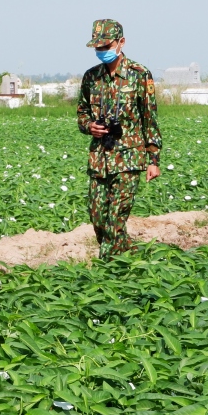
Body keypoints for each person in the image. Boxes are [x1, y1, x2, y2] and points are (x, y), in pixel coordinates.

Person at [77, 19, 162, 259]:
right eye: (98, 48)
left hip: (128, 157)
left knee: (115, 218)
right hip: (99, 157)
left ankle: (109, 270)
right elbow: (82, 112)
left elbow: (149, 119)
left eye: (106, 46)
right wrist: (89, 126)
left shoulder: (139, 74)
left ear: (121, 42)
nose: (101, 51)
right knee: (98, 218)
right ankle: (130, 255)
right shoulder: (91, 77)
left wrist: (153, 159)